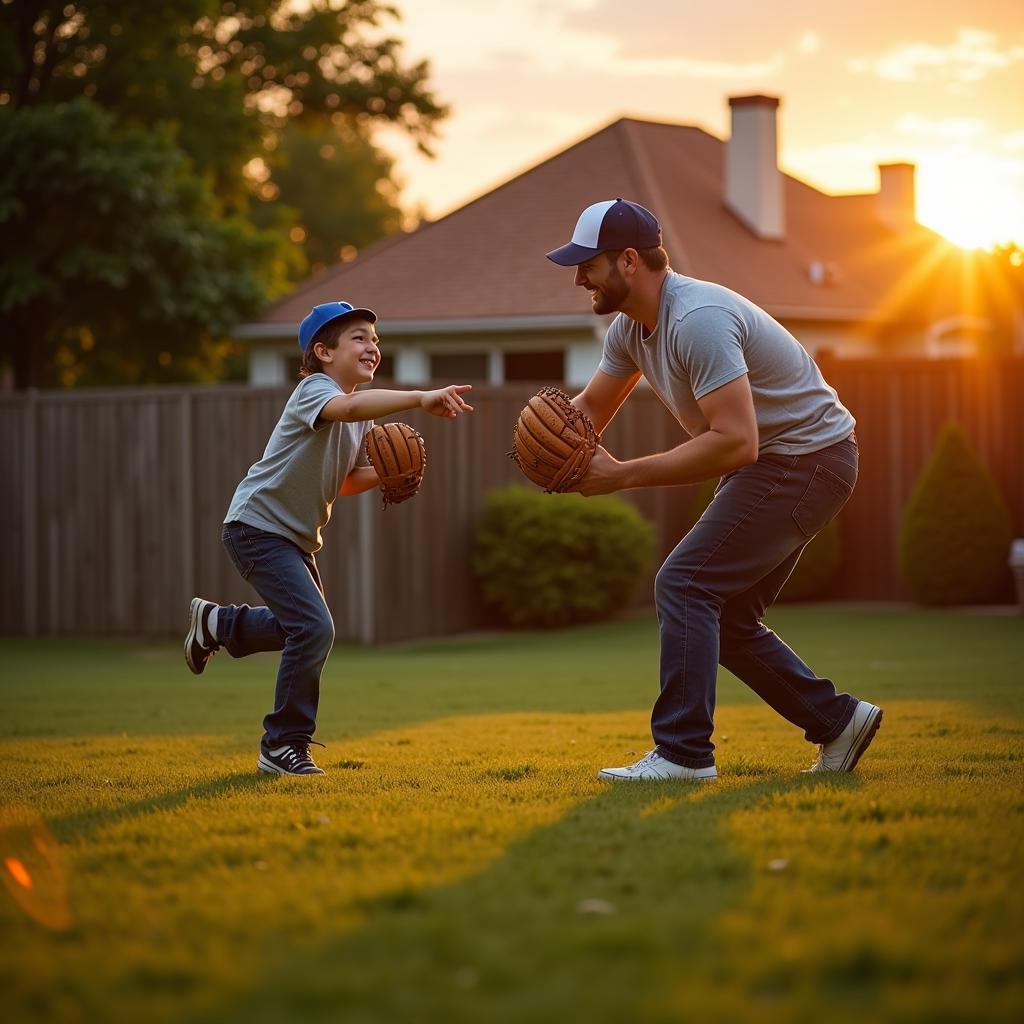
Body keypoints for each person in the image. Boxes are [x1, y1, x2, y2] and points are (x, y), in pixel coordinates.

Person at [545, 199, 882, 781]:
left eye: (587, 264)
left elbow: (735, 444)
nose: (578, 277)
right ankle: (838, 720)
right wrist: (548, 440)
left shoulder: (696, 318)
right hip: (785, 462)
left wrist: (621, 474)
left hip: (807, 459)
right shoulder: (630, 330)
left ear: (629, 260)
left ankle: (683, 754)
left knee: (684, 583)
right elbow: (588, 414)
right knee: (724, 617)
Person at [184, 301, 473, 776]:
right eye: (359, 337)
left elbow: (345, 480)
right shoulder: (314, 391)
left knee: (298, 628)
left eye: (375, 340)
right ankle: (283, 744)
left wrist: (386, 471)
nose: (372, 347)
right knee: (314, 628)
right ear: (322, 351)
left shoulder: (361, 414)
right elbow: (350, 405)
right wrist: (421, 397)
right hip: (256, 527)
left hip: (293, 538)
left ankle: (218, 625)